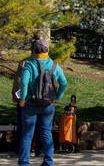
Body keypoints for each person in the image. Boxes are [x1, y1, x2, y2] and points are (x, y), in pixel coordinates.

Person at [18, 38, 67, 166]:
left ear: (34, 50)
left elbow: (23, 82)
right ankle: (48, 161)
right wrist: (57, 97)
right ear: (48, 50)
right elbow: (64, 83)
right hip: (48, 105)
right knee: (46, 133)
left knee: (27, 134)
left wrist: (22, 99)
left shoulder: (30, 65)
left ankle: (24, 162)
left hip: (30, 104)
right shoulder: (55, 66)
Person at [12, 43, 35, 156]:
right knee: (39, 125)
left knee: (23, 125)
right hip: (41, 99)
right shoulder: (48, 63)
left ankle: (21, 151)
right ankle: (39, 150)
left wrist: (15, 95)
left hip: (25, 99)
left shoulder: (25, 62)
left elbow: (19, 81)